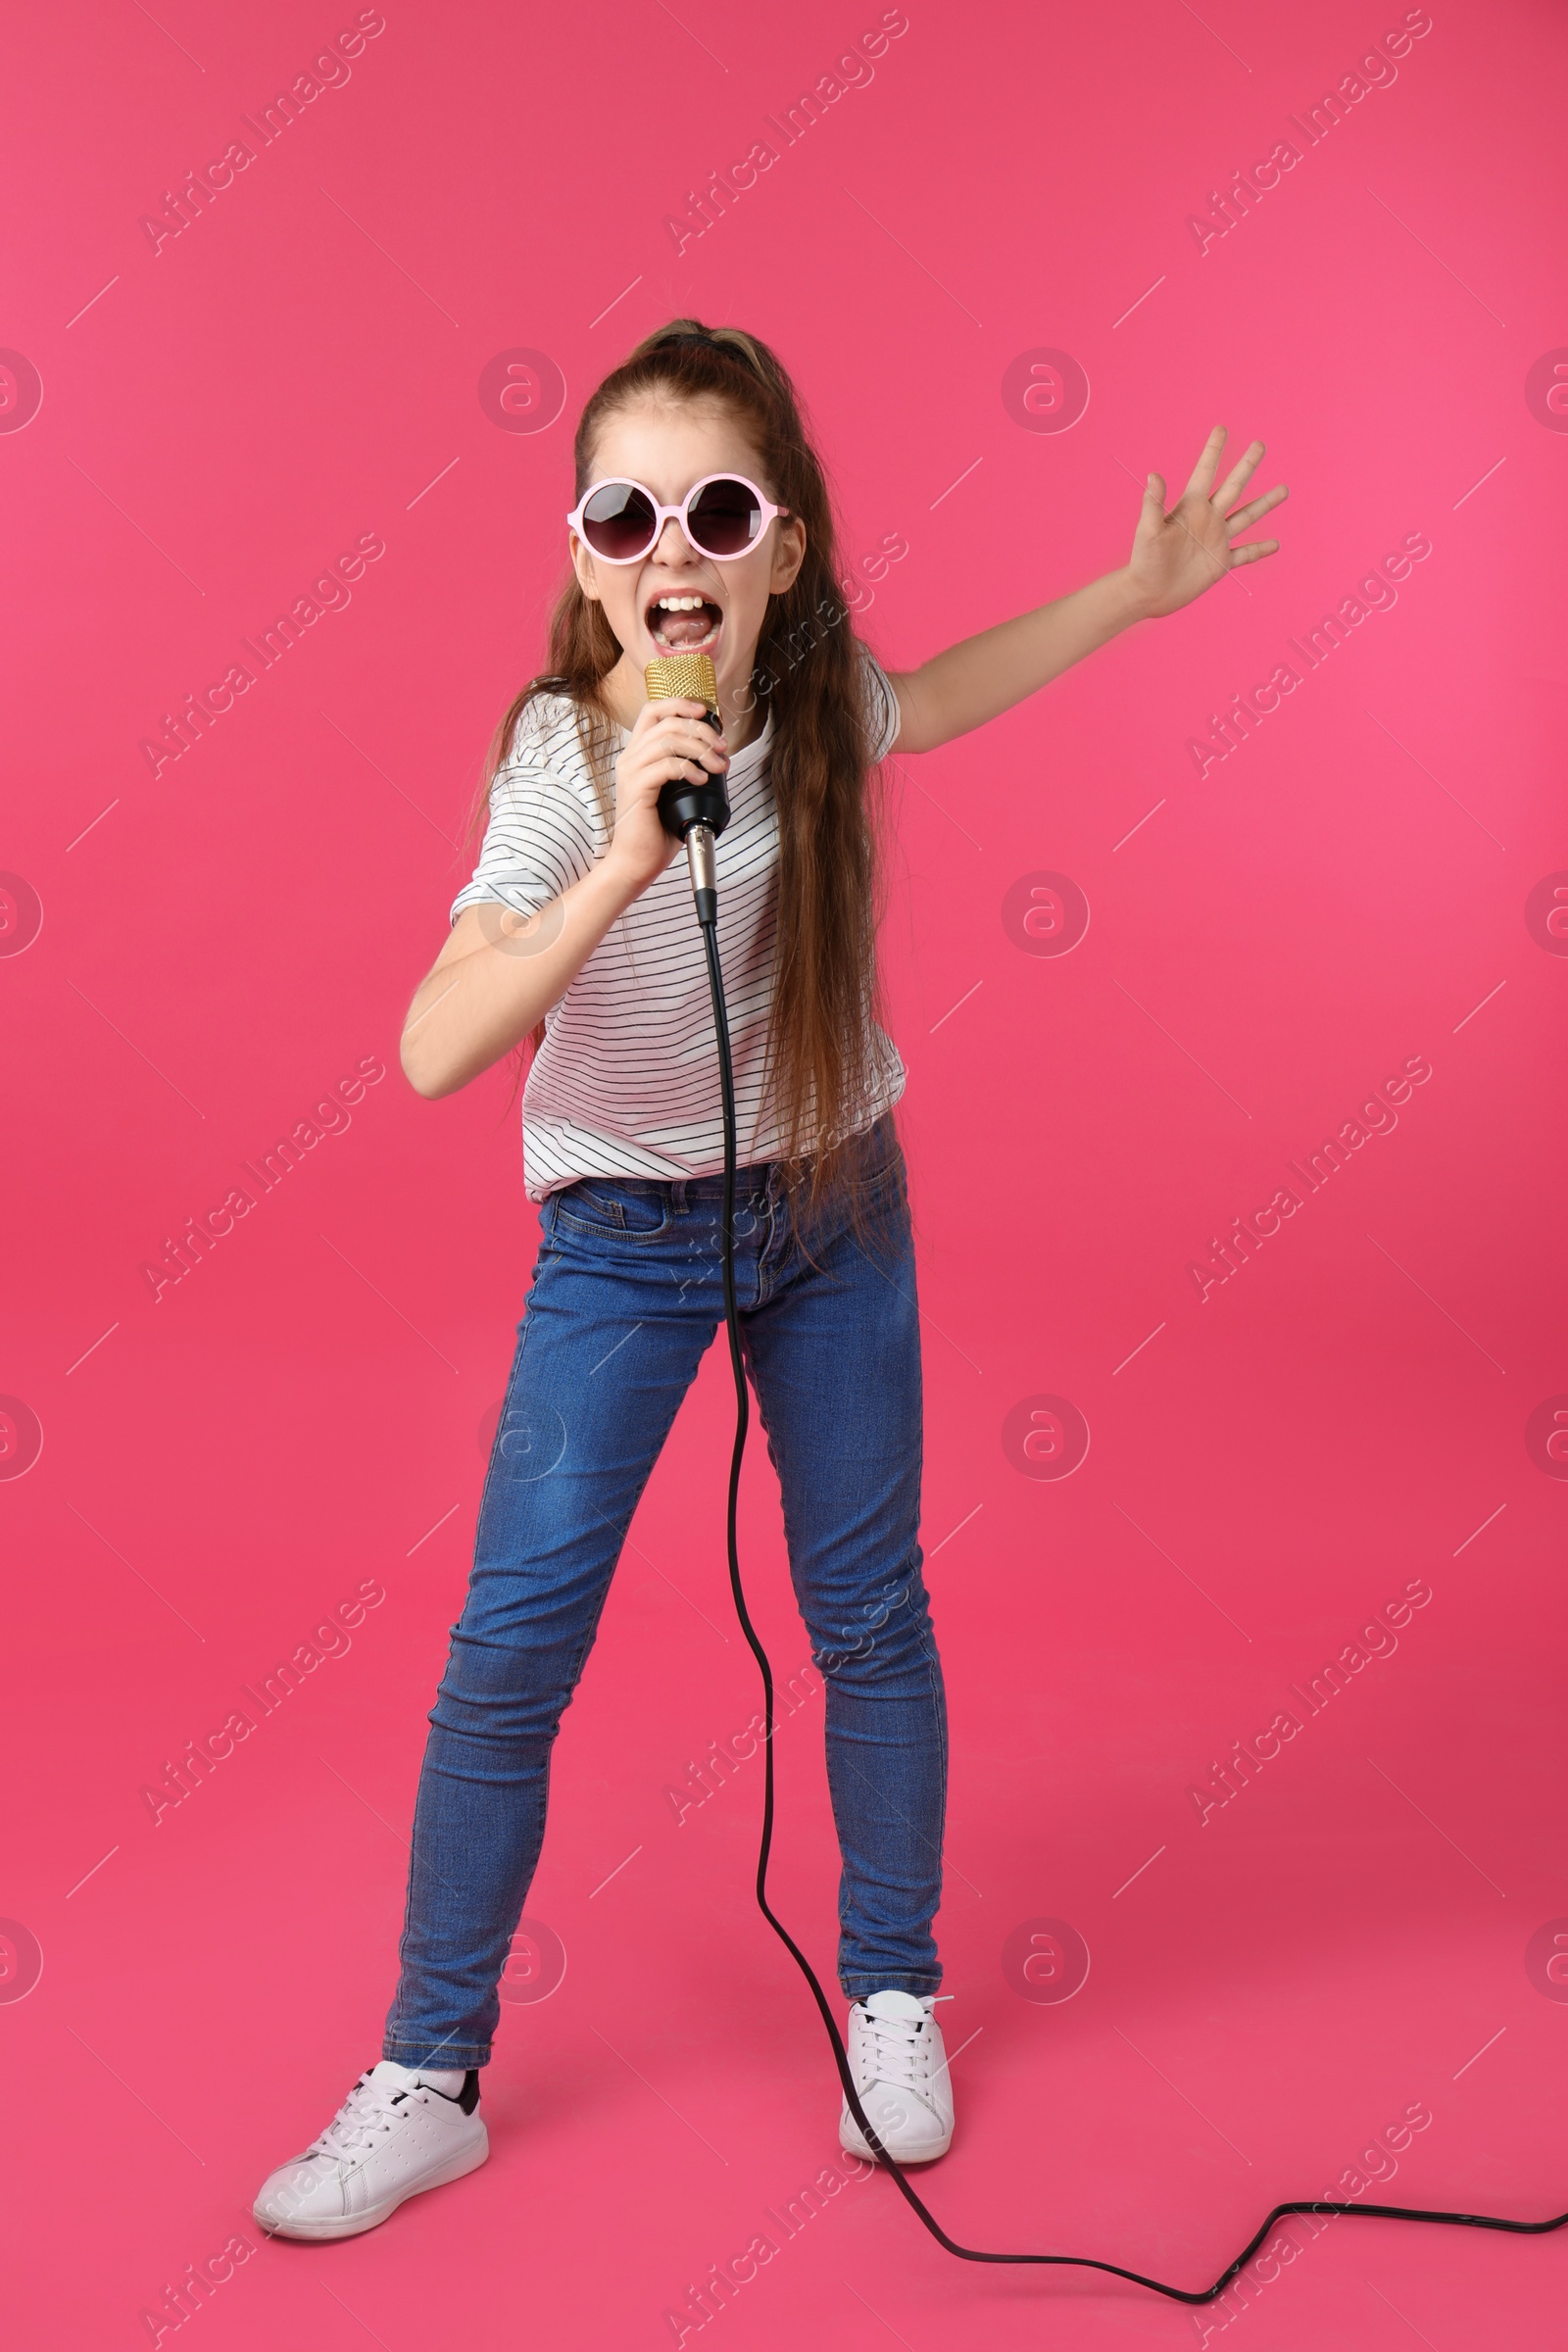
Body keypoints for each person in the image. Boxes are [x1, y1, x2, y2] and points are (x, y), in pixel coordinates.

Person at [253, 319, 1285, 2241]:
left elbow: (946, 692)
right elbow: (426, 1047)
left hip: (830, 1209)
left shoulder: (816, 704)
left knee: (865, 1612)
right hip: (617, 1250)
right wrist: (616, 875)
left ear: (778, 550)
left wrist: (1132, 598)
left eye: (714, 510)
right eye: (622, 510)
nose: (670, 547)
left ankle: (888, 1993)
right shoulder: (556, 762)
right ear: (581, 554)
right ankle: (431, 2069)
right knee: (508, 1655)